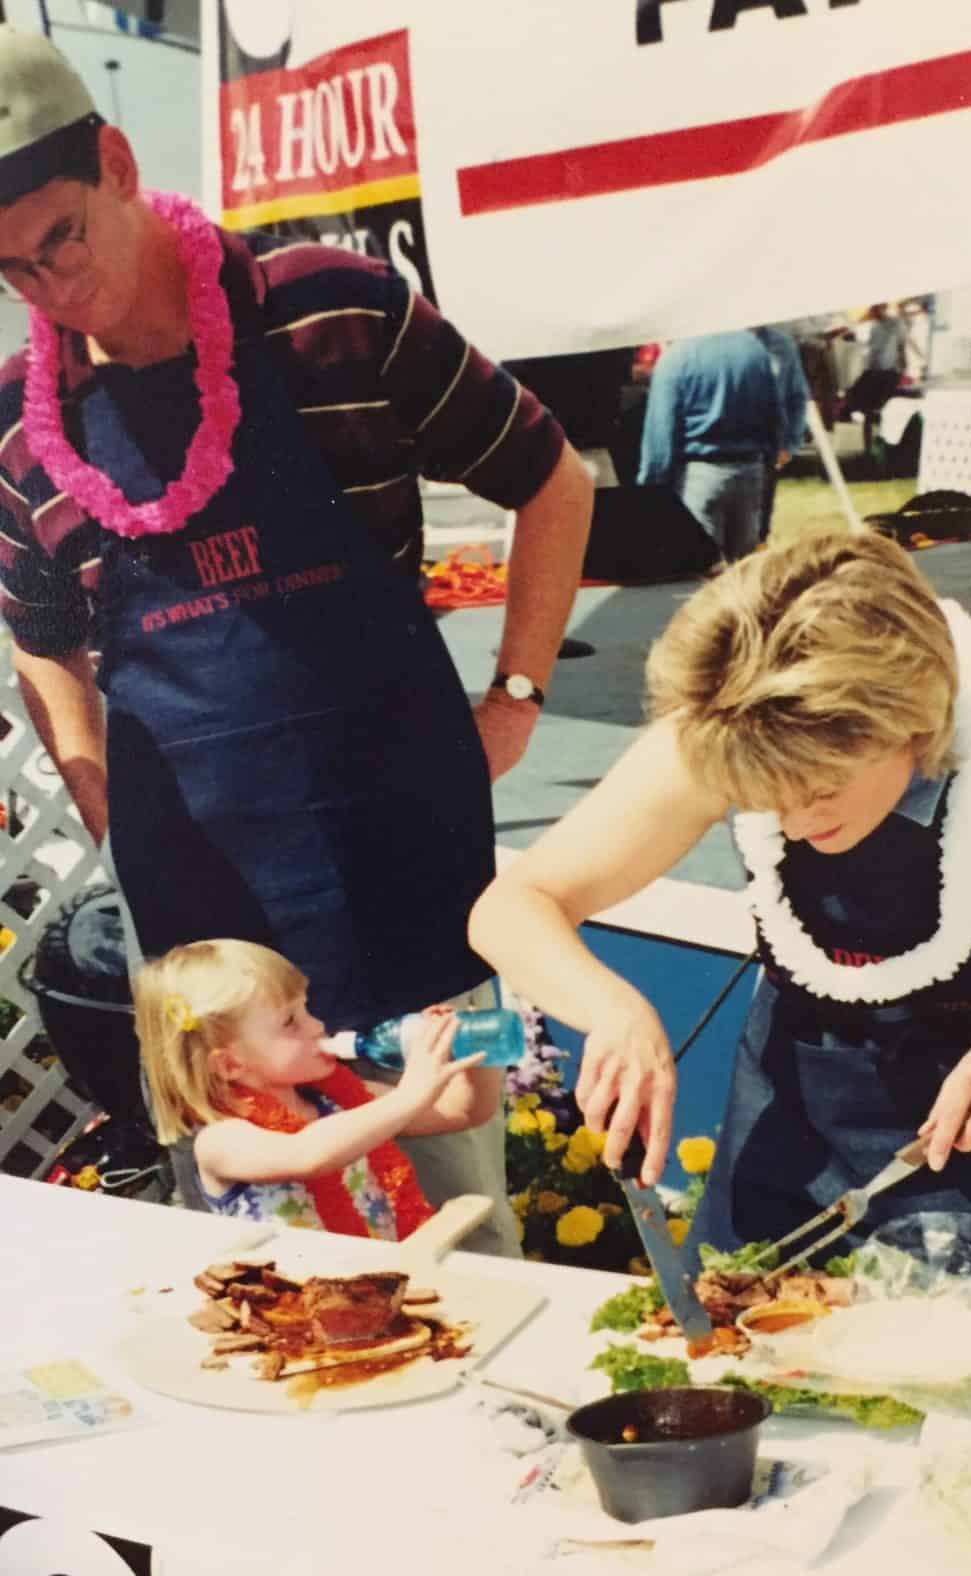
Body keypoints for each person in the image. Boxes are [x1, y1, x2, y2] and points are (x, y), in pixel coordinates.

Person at [0, 31, 593, 1254]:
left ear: (116, 160)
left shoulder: (331, 307)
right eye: (11, 271)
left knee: (460, 1216)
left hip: (411, 861)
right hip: (204, 923)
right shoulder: (21, 429)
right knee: (257, 1256)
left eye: (60, 237)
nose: (52, 291)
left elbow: (553, 475)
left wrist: (517, 695)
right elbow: (42, 633)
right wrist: (96, 791)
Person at [469, 529, 971, 1324]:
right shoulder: (741, 724)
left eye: (818, 789)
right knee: (736, 1351)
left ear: (912, 721)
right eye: (761, 795)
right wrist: (614, 1009)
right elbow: (511, 906)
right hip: (798, 1090)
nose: (788, 816)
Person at [134, 939, 497, 1238]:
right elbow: (309, 1154)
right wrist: (408, 1095)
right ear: (230, 1064)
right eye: (291, 1022)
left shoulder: (340, 1099)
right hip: (295, 1312)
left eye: (306, 1009)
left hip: (380, 1290)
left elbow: (463, 1112)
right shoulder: (220, 1140)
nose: (317, 1025)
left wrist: (477, 1050)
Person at [637, 329, 785, 562]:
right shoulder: (755, 350)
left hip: (700, 477)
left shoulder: (678, 357)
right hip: (750, 472)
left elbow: (660, 438)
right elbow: (775, 423)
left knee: (700, 574)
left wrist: (649, 495)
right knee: (745, 578)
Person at [753, 324, 810, 539]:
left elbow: (797, 396)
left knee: (760, 527)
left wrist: (789, 444)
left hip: (766, 446)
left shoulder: (782, 344)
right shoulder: (715, 341)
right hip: (723, 447)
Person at [842, 303, 904, 457]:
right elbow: (873, 351)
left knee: (877, 409)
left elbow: (900, 346)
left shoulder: (895, 323)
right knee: (861, 403)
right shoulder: (875, 326)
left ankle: (877, 445)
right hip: (876, 370)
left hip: (888, 372)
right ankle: (868, 446)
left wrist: (902, 367)